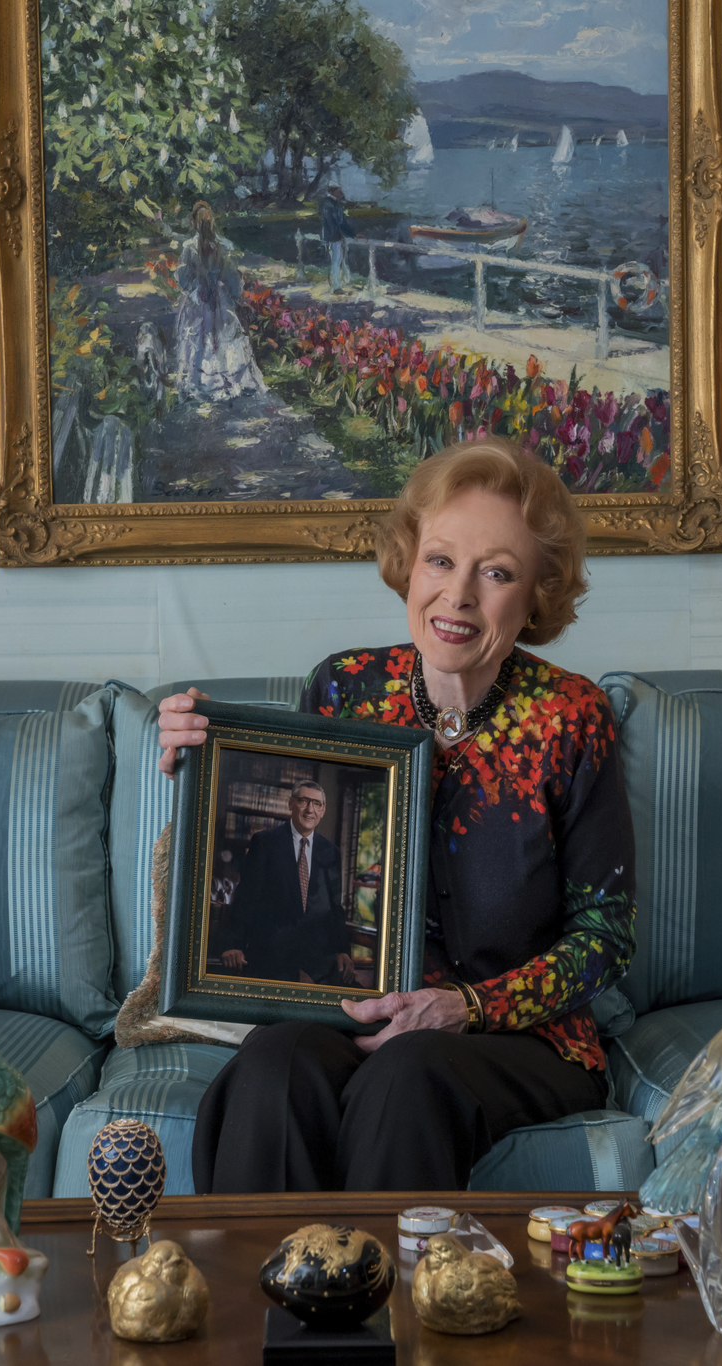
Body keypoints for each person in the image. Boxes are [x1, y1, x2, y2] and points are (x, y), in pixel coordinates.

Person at [157, 437, 637, 1192]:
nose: (460, 597)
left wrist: (465, 1006)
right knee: (275, 1065)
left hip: (514, 1037)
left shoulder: (573, 717)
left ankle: (400, 1306)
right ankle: (264, 1305)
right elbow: (285, 836)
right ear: (409, 563)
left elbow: (605, 937)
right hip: (351, 1015)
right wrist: (200, 749)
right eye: (442, 561)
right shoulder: (345, 686)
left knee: (409, 1073)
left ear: (537, 592)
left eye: (498, 572)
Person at [217, 781, 352, 983]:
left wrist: (342, 950)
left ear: (323, 810)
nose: (310, 809)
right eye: (303, 801)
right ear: (290, 804)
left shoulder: (330, 852)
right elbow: (246, 897)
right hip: (271, 957)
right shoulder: (264, 843)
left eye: (316, 803)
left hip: (316, 961)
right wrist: (232, 945)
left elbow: (334, 907)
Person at [174, 200, 265, 402]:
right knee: (221, 339)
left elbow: (183, 278)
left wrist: (193, 290)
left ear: (192, 223)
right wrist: (236, 298)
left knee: (199, 340)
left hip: (200, 300)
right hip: (218, 298)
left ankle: (201, 381)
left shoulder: (189, 247)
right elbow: (233, 277)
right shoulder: (223, 246)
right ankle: (226, 379)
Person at [319, 185, 355, 293]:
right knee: (336, 260)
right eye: (338, 189)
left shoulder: (337, 204)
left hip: (338, 235)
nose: (340, 191)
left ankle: (343, 281)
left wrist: (353, 234)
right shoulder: (327, 203)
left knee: (341, 259)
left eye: (340, 189)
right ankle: (335, 286)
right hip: (333, 236)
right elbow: (332, 222)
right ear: (332, 191)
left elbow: (342, 221)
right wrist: (336, 235)